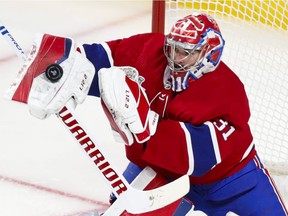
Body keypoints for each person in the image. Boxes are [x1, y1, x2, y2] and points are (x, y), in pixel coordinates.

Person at [8, 13, 288, 215]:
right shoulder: (150, 50)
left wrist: (147, 126)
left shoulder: (227, 91)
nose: (174, 58)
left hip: (232, 179)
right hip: (161, 170)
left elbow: (200, 158)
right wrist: (61, 64)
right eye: (172, 48)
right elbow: (103, 58)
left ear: (209, 54)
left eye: (184, 53)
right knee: (124, 208)